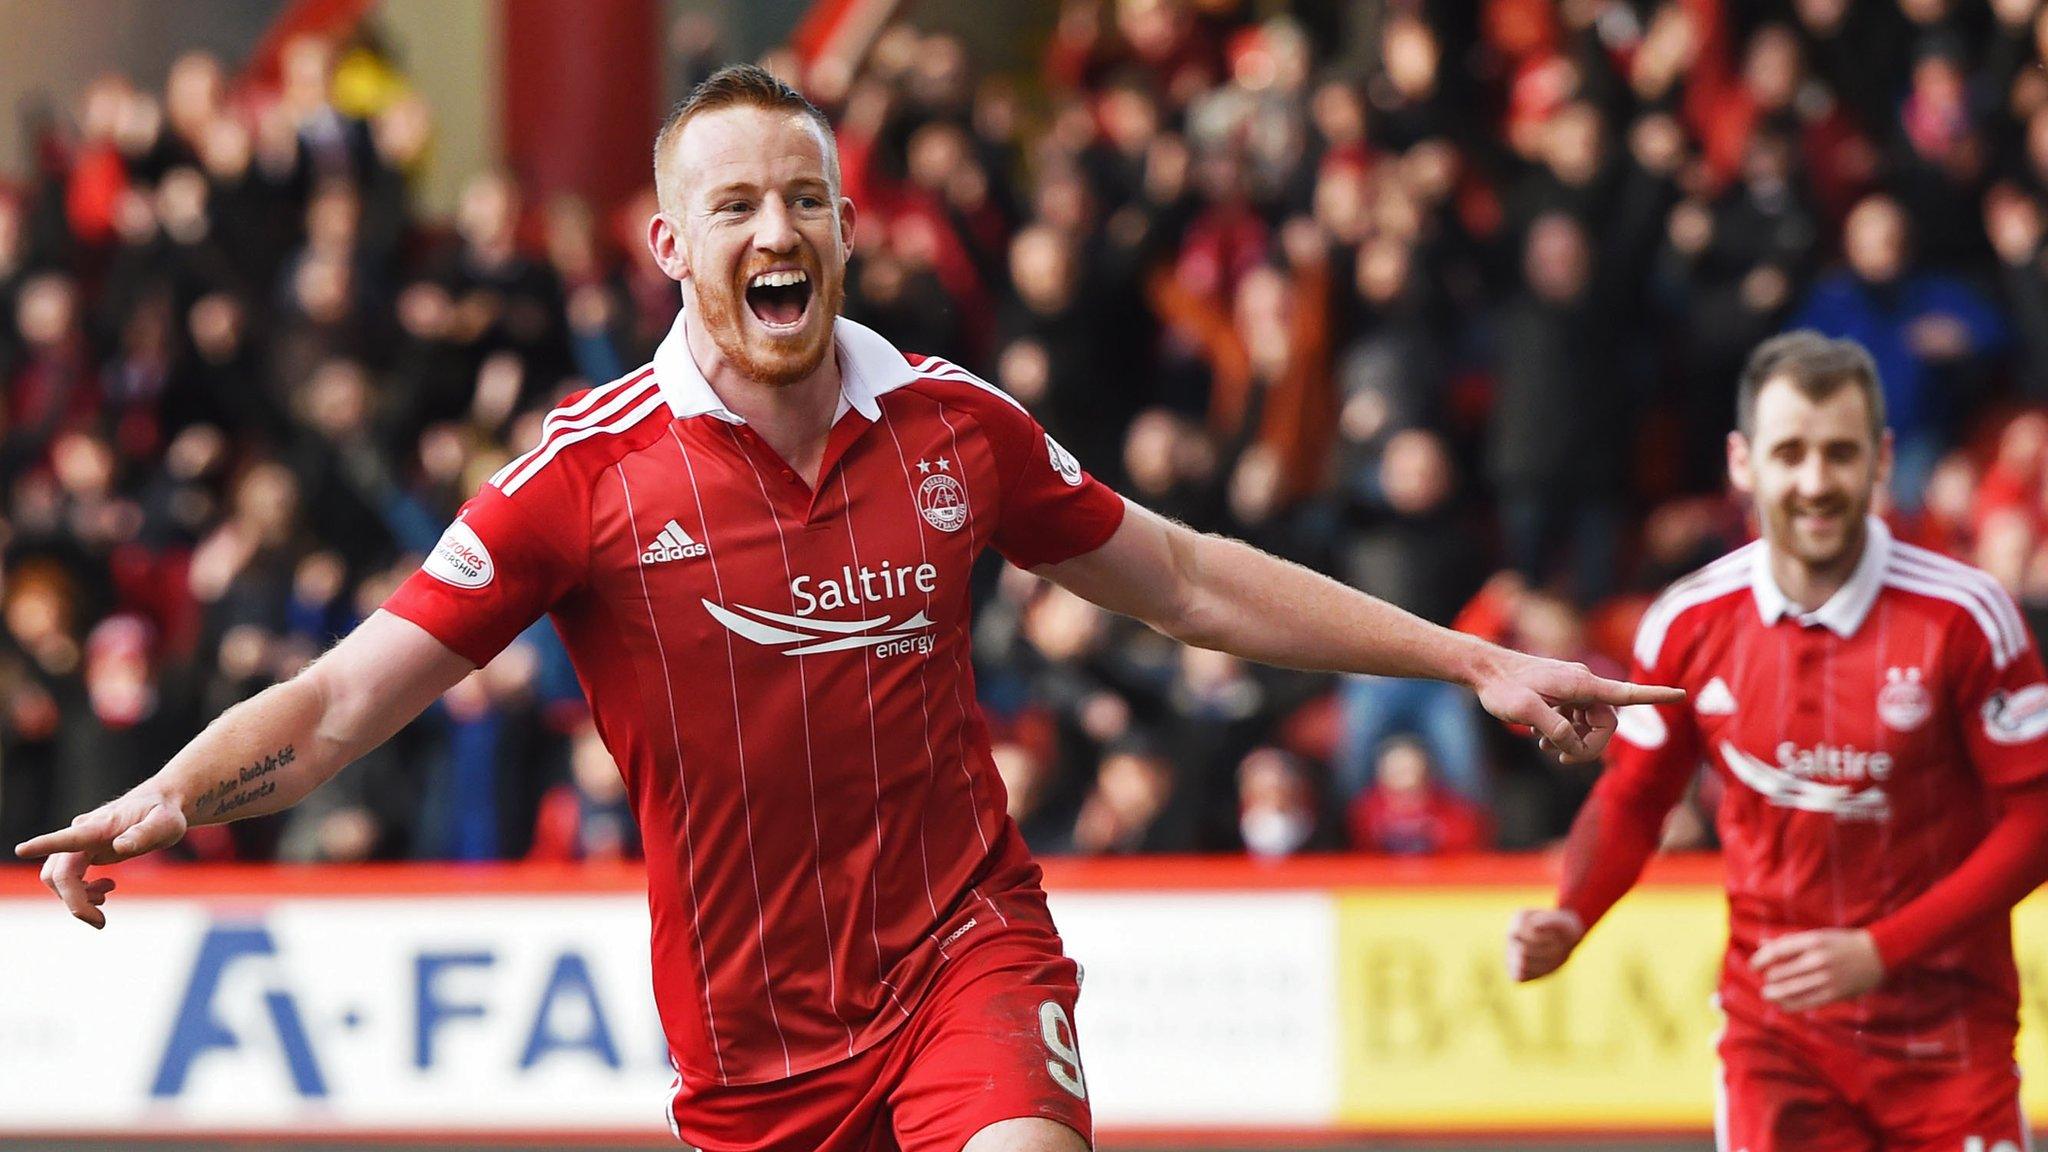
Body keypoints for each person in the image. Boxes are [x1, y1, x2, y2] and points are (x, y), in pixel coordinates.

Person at [17, 65, 1678, 1152]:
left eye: (802, 197)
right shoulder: (580, 480)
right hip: (747, 1045)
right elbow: (340, 700)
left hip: (966, 950)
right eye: (734, 203)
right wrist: (174, 791)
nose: (775, 225)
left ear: (841, 227)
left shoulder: (958, 428)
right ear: (671, 244)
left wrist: (1468, 652)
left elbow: (1177, 575)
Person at [1505, 331, 2048, 1152]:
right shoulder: (1687, 622)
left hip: (1949, 1045)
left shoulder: (1967, 616)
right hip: (1779, 1042)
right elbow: (1635, 798)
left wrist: (1881, 949)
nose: (1815, 482)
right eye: (1789, 452)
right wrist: (1573, 913)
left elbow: (2039, 825)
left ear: (1880, 459)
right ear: (1742, 461)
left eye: (1840, 453)